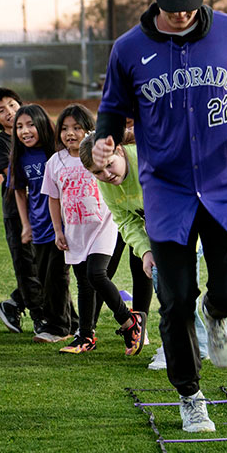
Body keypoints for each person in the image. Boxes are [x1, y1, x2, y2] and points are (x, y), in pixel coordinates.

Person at [91, 0, 227, 433]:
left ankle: (217, 314)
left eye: (190, 4)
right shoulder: (128, 49)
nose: (181, 15)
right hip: (167, 189)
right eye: (172, 5)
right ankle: (190, 396)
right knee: (175, 299)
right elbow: (112, 109)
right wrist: (104, 140)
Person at [43, 104, 142, 355]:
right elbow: (53, 198)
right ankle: (86, 336)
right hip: (75, 231)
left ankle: (128, 320)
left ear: (89, 129)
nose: (70, 133)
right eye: (65, 128)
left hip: (103, 227)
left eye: (77, 127)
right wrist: (58, 231)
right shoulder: (55, 162)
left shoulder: (99, 156)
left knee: (97, 274)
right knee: (84, 284)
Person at [82, 130, 154, 357]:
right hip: (157, 227)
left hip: (190, 221)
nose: (106, 175)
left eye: (109, 165)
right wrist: (146, 251)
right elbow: (125, 220)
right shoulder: (106, 185)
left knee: (185, 288)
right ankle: (174, 345)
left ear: (120, 151)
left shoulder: (148, 160)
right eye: (97, 172)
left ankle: (187, 345)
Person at [10, 103, 73, 343]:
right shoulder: (19, 156)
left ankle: (58, 328)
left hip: (62, 226)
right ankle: (72, 322)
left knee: (56, 277)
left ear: (43, 125)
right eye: (19, 127)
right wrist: (26, 225)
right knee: (46, 278)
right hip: (39, 227)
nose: (25, 131)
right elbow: (19, 191)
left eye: (30, 125)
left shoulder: (57, 153)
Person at [0, 86, 41, 334]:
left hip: (46, 209)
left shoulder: (38, 136)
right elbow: (15, 178)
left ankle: (14, 303)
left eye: (12, 104)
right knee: (27, 265)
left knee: (47, 265)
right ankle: (41, 318)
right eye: (1, 110)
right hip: (18, 212)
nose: (9, 111)